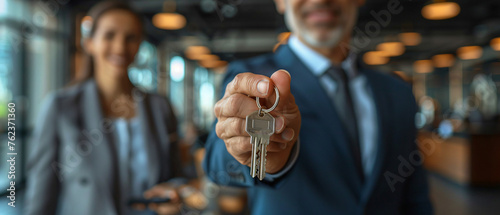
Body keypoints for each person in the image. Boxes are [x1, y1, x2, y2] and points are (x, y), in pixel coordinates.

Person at [203, 0, 433, 214]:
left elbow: (414, 194)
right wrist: (249, 151)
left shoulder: (397, 92)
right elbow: (217, 164)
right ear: (280, 1)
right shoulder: (252, 78)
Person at [25, 2, 183, 215]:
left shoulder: (160, 107)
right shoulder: (60, 107)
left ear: (139, 45)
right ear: (89, 43)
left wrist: (174, 192)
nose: (120, 47)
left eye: (131, 38)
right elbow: (41, 198)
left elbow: (177, 176)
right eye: (109, 35)